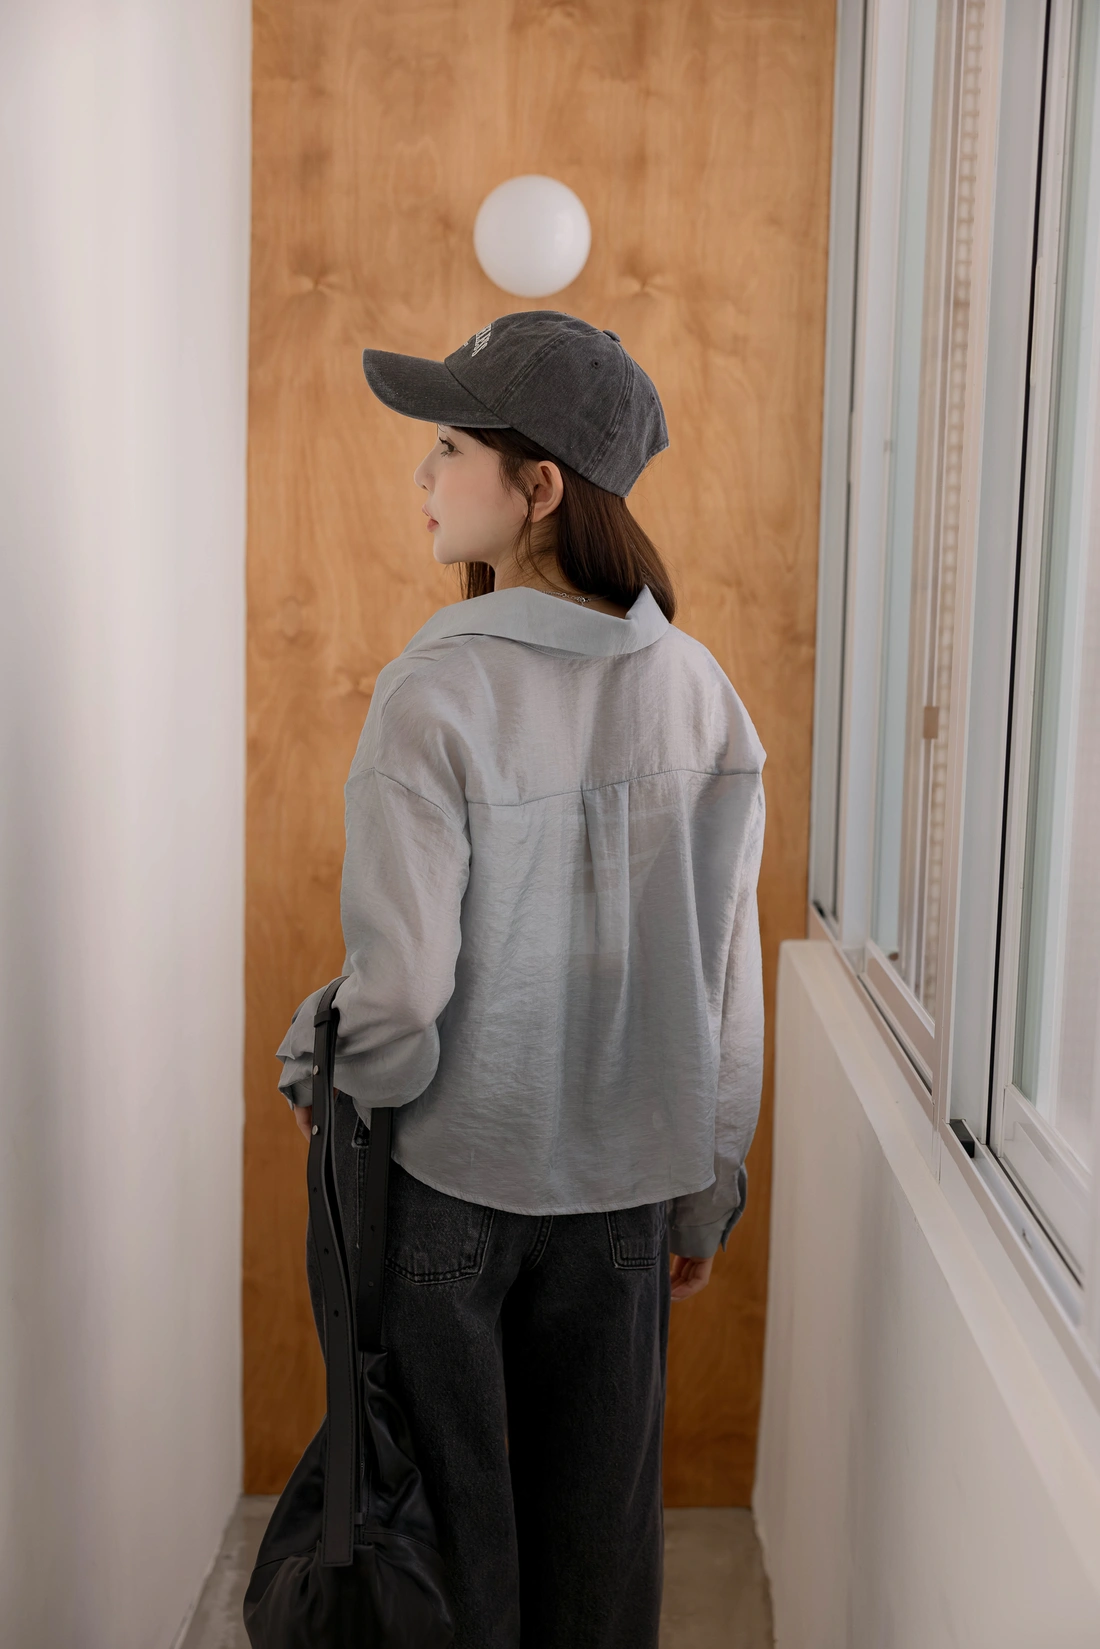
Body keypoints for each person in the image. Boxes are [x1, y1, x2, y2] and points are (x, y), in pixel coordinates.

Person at [276, 310, 765, 1649]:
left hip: (454, 1189)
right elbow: (725, 984)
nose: (424, 474)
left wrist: (324, 1063)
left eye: (449, 447)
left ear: (538, 485)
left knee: (453, 1571)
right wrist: (705, 1191)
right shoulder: (704, 692)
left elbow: (399, 995)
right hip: (628, 1202)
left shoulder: (434, 689)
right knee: (597, 1576)